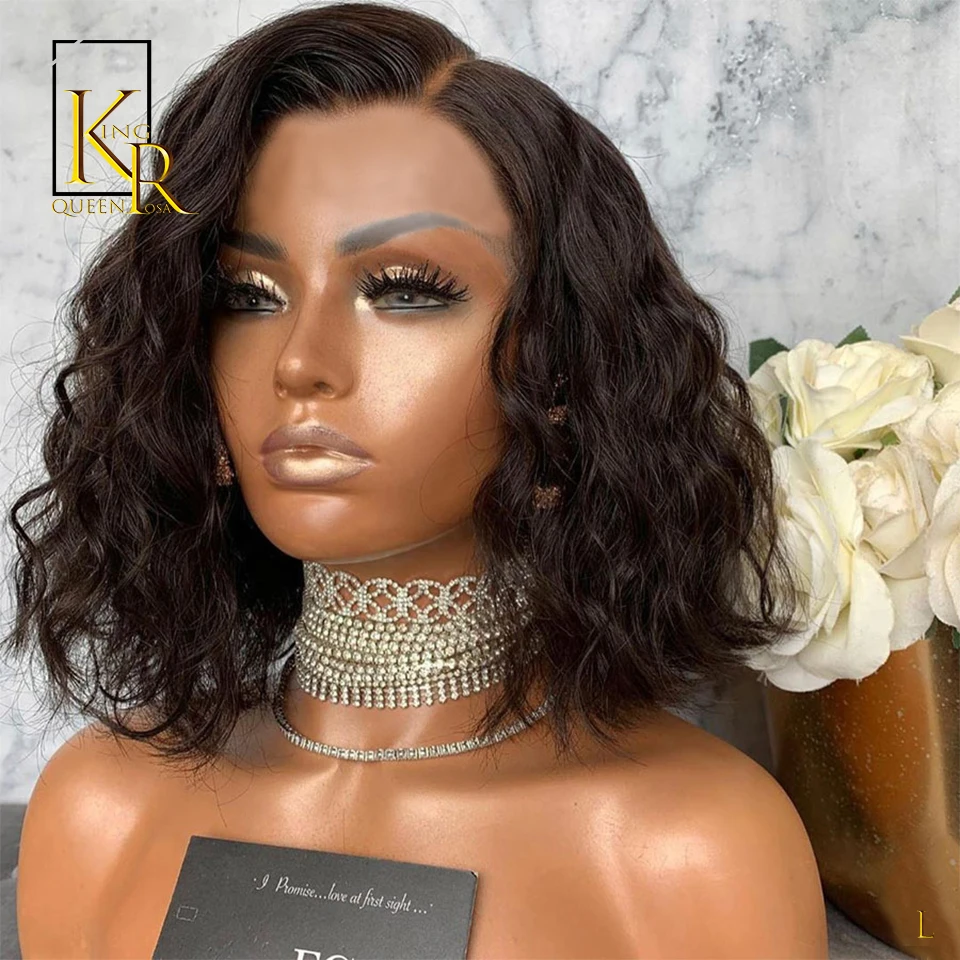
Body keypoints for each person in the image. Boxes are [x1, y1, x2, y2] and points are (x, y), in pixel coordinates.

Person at [8, 3, 828, 957]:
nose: (300, 363)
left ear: (561, 367)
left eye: (405, 290)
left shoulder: (688, 852)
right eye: (248, 296)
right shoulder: (104, 812)